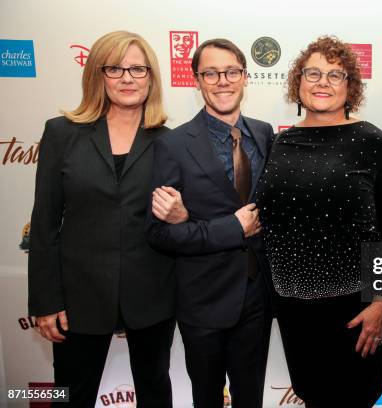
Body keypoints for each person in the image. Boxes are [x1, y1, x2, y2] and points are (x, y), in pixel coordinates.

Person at [28, 31, 175, 407]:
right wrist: (45, 301)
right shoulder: (61, 133)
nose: (127, 78)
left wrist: (183, 214)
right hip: (79, 297)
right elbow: (44, 223)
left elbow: (181, 221)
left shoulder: (170, 141)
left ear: (151, 77)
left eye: (138, 69)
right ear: (98, 74)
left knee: (155, 390)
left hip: (153, 296)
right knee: (70, 395)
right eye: (115, 68)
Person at [256, 36, 382, 408]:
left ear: (350, 86)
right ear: (298, 82)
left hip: (355, 310)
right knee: (312, 394)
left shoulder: (372, 141)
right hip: (293, 310)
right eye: (314, 73)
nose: (323, 82)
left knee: (354, 396)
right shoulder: (279, 142)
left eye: (336, 75)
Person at [146, 38, 274, 408]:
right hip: (203, 300)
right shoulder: (172, 145)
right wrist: (230, 228)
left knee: (251, 398)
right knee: (206, 398)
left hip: (257, 295)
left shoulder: (265, 134)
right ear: (196, 80)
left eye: (231, 71)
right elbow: (157, 232)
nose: (223, 81)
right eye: (211, 73)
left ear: (245, 77)